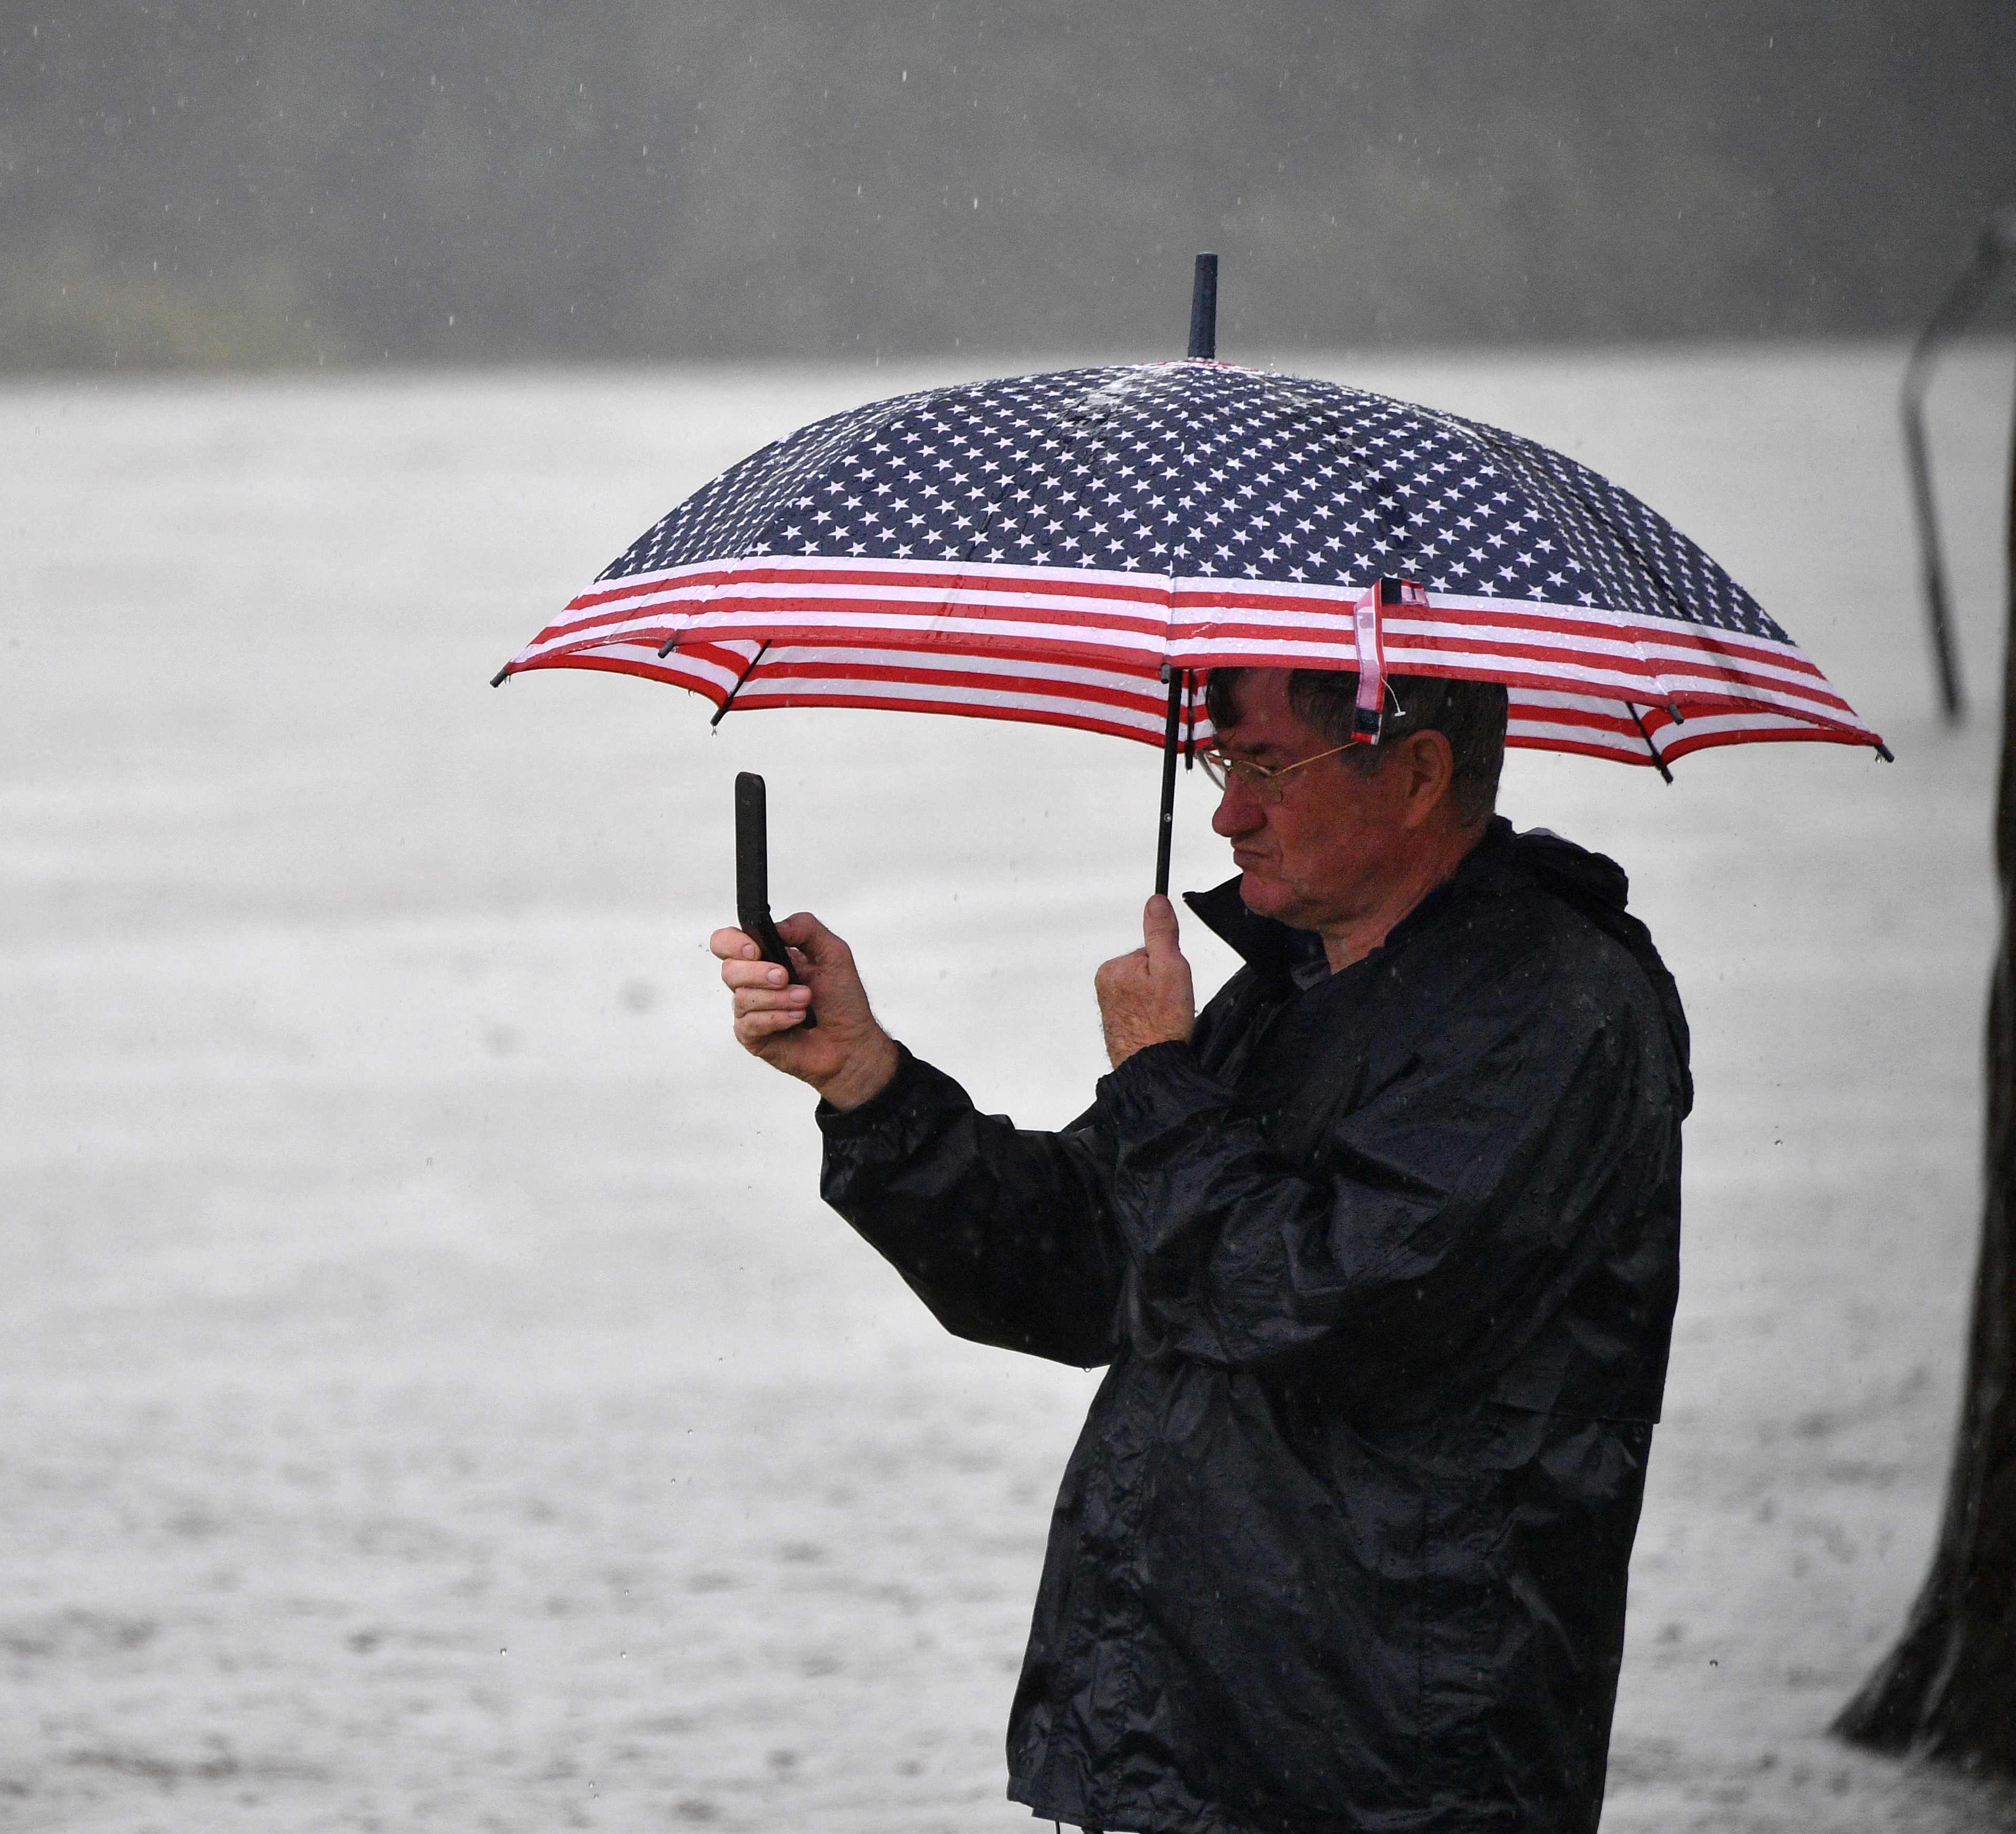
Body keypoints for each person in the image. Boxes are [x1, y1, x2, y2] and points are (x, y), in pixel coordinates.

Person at [711, 665, 1690, 1834]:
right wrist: (871, 1083)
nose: (1228, 814)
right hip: (1189, 1741)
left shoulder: (1557, 1009)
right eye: (1223, 764)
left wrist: (1160, 1081)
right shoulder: (1291, 990)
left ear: (1419, 774)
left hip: (1400, 1770)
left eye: (1270, 766)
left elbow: (1325, 1305)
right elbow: (1091, 1271)